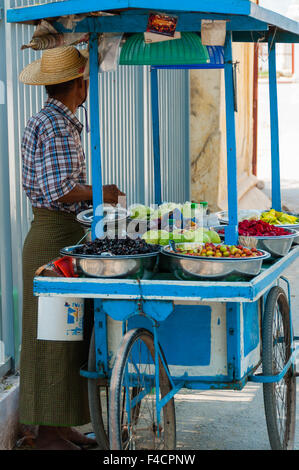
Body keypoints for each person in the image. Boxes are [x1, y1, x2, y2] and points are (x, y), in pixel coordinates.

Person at [19, 46, 125, 450]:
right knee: (51, 336)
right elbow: (60, 190)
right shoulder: (58, 125)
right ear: (78, 84)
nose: (87, 88)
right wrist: (106, 192)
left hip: (60, 234)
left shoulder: (52, 119)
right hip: (52, 237)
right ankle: (46, 435)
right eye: (85, 82)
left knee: (67, 333)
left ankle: (61, 427)